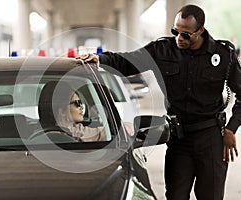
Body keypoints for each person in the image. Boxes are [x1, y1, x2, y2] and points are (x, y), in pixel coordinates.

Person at [77, 4, 241, 200]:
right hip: (178, 139)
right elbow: (128, 61)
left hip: (211, 139)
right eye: (175, 32)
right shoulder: (163, 50)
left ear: (201, 31)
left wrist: (231, 129)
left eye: (186, 35)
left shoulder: (223, 55)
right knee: (175, 195)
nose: (179, 38)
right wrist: (100, 58)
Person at [38, 81, 107, 142]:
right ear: (62, 112)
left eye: (81, 102)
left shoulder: (76, 131)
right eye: (77, 103)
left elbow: (106, 133)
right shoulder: (53, 137)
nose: (82, 107)